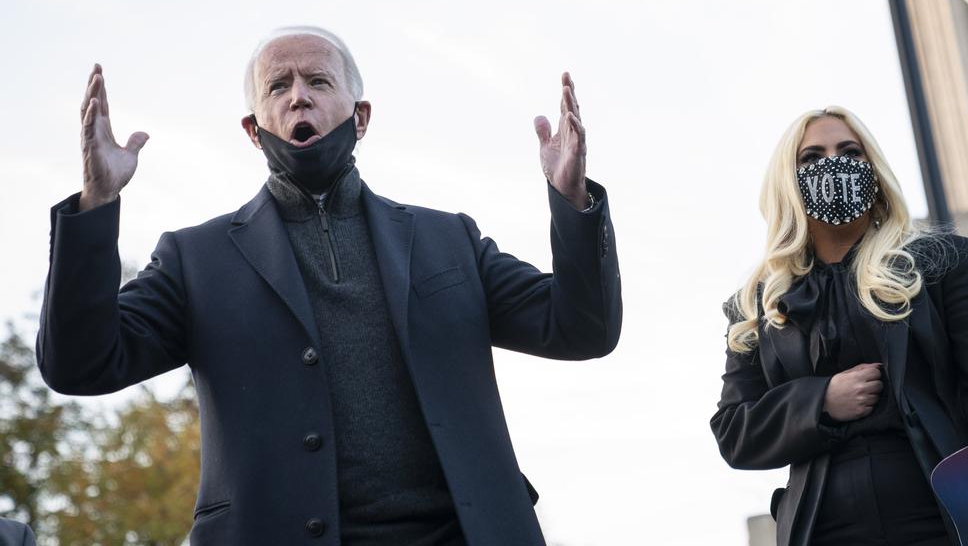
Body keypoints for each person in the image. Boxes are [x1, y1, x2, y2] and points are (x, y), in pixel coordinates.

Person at [36, 26, 623, 545]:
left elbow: (581, 328)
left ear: (359, 116)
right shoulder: (196, 259)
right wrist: (95, 204)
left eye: (318, 80)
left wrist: (573, 202)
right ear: (252, 128)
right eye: (278, 86)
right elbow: (82, 364)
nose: (299, 95)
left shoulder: (450, 240)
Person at [710, 107, 968, 546]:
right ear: (787, 180)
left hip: (940, 512)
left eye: (850, 151)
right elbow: (735, 431)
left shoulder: (940, 263)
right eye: (811, 157)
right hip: (824, 525)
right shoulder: (757, 303)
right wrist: (821, 402)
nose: (833, 163)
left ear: (874, 169)